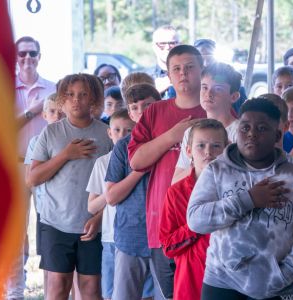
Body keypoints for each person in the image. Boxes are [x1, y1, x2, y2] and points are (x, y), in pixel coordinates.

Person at [187, 98, 293, 300]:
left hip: (280, 285)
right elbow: (195, 220)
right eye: (245, 127)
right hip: (222, 282)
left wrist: (285, 274)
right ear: (236, 132)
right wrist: (248, 199)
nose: (252, 134)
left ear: (277, 135)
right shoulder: (217, 169)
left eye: (261, 128)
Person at [129, 45, 206, 299]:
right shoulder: (155, 112)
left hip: (207, 223)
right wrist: (173, 135)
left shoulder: (214, 108)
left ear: (201, 69)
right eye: (176, 69)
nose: (183, 73)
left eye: (190, 67)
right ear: (169, 75)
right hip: (164, 223)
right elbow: (137, 161)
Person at [28, 73, 113, 300]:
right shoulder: (52, 132)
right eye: (70, 95)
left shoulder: (106, 135)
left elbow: (115, 185)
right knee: (57, 289)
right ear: (61, 100)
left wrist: (100, 217)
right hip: (55, 223)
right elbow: (33, 178)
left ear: (94, 99)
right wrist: (66, 154)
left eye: (83, 94)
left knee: (92, 289)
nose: (76, 100)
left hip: (92, 224)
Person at [160, 119, 228, 300]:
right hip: (190, 283)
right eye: (201, 145)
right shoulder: (176, 193)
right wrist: (199, 222)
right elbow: (168, 246)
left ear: (226, 149)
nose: (208, 152)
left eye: (216, 146)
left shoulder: (236, 189)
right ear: (188, 150)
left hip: (229, 282)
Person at [105, 83, 161, 300]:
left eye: (147, 105)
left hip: (165, 237)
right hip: (131, 235)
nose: (142, 111)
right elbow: (111, 196)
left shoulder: (173, 141)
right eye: (135, 107)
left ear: (159, 106)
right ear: (129, 113)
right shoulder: (123, 146)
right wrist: (139, 169)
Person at [85, 109, 135, 300]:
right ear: (109, 133)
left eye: (128, 130)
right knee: (110, 293)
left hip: (136, 237)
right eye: (117, 130)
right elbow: (91, 207)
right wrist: (114, 191)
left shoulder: (143, 159)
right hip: (110, 238)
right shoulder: (102, 163)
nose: (122, 136)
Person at [172, 62, 241, 184]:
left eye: (218, 89)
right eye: (204, 87)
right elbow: (175, 182)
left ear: (234, 97)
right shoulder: (191, 132)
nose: (208, 94)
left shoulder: (241, 132)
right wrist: (199, 164)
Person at [23, 93, 65, 296]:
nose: (57, 116)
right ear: (44, 115)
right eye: (52, 112)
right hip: (46, 212)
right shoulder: (35, 142)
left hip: (70, 209)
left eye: (62, 113)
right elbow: (30, 178)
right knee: (49, 264)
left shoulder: (74, 142)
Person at [15, 36, 56, 159]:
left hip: (45, 163)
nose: (28, 57)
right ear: (15, 57)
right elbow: (2, 129)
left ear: (39, 56)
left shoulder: (54, 88)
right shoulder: (4, 88)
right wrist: (33, 110)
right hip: (14, 162)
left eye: (32, 53)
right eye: (22, 53)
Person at [147, 25, 180, 98]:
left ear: (179, 45)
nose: (167, 47)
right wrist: (152, 92)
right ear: (154, 47)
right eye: (162, 44)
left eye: (172, 43)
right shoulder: (144, 79)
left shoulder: (192, 75)